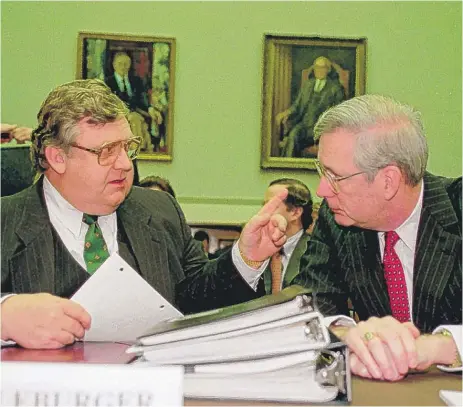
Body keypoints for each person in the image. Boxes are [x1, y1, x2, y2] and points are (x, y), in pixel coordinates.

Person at [1, 79, 288, 349]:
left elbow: (199, 301)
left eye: (128, 147)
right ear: (57, 157)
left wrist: (246, 258)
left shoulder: (159, 211)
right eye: (106, 151)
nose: (126, 164)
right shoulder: (6, 222)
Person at [238, 94, 461, 381]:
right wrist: (347, 333)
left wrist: (437, 347)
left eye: (335, 177)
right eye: (321, 172)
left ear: (388, 181)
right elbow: (308, 303)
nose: (321, 190)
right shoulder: (337, 219)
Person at [241, 178, 313, 295]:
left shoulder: (315, 250)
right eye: (263, 206)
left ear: (295, 212)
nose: (263, 212)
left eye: (271, 205)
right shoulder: (256, 247)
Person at [276, 56, 344, 158]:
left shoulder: (335, 88)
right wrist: (285, 113)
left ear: (328, 70)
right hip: (304, 126)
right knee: (293, 136)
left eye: (322, 67)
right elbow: (297, 105)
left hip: (322, 128)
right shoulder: (307, 85)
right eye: (316, 67)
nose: (319, 70)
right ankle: (288, 167)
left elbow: (338, 112)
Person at [105, 52, 154, 152]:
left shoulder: (136, 81)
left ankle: (137, 149)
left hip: (136, 112)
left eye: (126, 64)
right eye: (120, 64)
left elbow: (142, 100)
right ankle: (138, 149)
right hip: (117, 114)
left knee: (138, 120)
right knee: (135, 119)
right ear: (114, 65)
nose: (123, 67)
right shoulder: (107, 83)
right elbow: (107, 103)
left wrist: (150, 108)